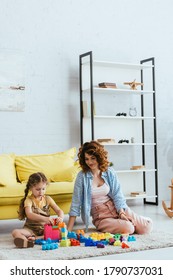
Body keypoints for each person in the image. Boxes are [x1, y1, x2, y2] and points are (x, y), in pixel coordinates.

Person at [67, 141, 153, 235]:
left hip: (117, 207)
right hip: (101, 216)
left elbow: (117, 195)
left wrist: (122, 213)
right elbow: (75, 203)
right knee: (129, 228)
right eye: (86, 159)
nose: (89, 162)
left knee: (146, 228)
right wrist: (68, 230)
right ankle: (129, 223)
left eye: (93, 158)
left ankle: (134, 221)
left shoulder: (109, 172)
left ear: (99, 158)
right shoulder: (82, 176)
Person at [12, 172, 64, 248]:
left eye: (43, 189)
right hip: (31, 229)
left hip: (45, 229)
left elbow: (59, 210)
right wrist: (45, 219)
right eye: (38, 189)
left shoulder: (48, 199)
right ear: (30, 188)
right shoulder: (29, 200)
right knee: (15, 232)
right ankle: (26, 242)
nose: (41, 192)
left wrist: (61, 217)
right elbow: (29, 214)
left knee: (61, 232)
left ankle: (36, 239)